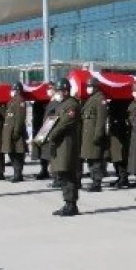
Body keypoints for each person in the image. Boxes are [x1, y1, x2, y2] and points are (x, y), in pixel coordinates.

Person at [44, 79, 82, 216]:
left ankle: (71, 204)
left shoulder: (71, 105)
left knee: (67, 174)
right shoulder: (62, 104)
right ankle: (68, 202)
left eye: (58, 91)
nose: (56, 94)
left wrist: (51, 135)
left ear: (66, 91)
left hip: (66, 145)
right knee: (63, 174)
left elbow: (64, 124)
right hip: (59, 144)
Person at [80, 79, 109, 192]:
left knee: (95, 159)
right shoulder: (91, 99)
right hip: (88, 135)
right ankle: (94, 180)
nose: (88, 88)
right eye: (88, 86)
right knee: (91, 159)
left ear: (96, 87)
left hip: (94, 135)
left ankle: (97, 183)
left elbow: (101, 120)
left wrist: (98, 135)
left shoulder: (100, 99)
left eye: (90, 86)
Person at [0, 82, 28, 182]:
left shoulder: (20, 100)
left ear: (18, 90)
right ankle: (16, 173)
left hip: (16, 132)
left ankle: (18, 174)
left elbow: (20, 118)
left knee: (18, 153)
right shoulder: (12, 101)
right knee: (12, 153)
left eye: (14, 90)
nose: (12, 92)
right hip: (10, 131)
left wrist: (16, 131)